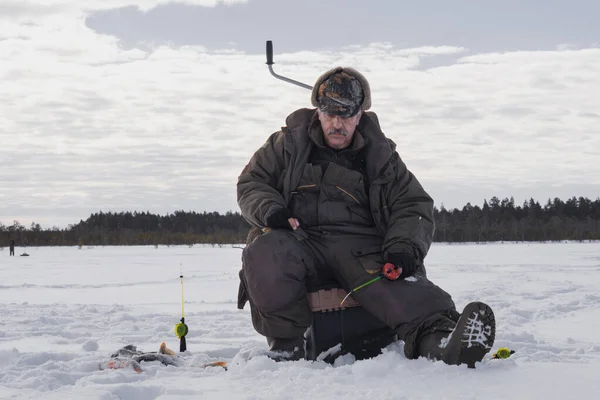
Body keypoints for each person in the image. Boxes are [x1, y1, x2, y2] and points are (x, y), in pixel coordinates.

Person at [236, 67, 496, 367]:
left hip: (359, 248)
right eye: (330, 113)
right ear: (317, 112)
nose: (337, 123)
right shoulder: (286, 145)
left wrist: (403, 248)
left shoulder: (382, 156)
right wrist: (271, 211)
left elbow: (412, 204)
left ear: (360, 115)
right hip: (298, 239)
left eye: (346, 115)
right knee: (265, 252)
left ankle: (442, 343)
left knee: (397, 284)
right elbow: (251, 182)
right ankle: (286, 347)